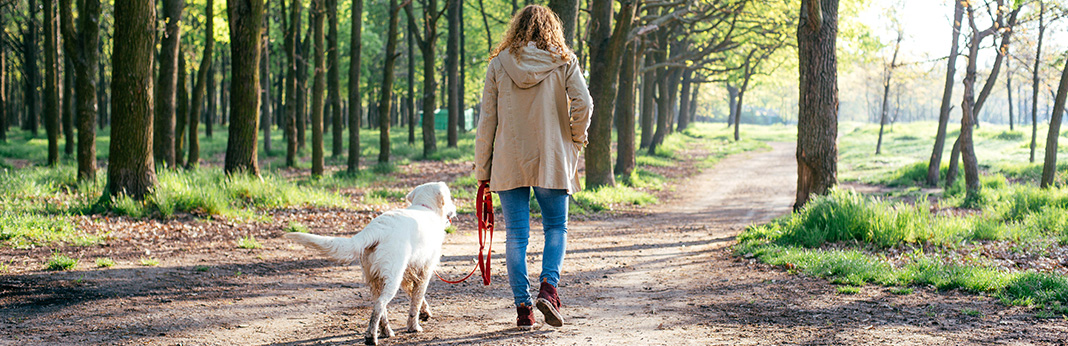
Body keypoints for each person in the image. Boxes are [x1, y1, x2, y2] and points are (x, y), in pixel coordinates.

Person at [474, 4, 593, 330]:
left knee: (516, 235)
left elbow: (487, 120)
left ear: (517, 29)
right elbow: (584, 103)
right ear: (551, 28)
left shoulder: (499, 64)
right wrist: (575, 139)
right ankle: (549, 288)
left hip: (509, 158)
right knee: (556, 227)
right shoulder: (564, 61)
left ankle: (524, 308)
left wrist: (482, 171)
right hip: (552, 157)